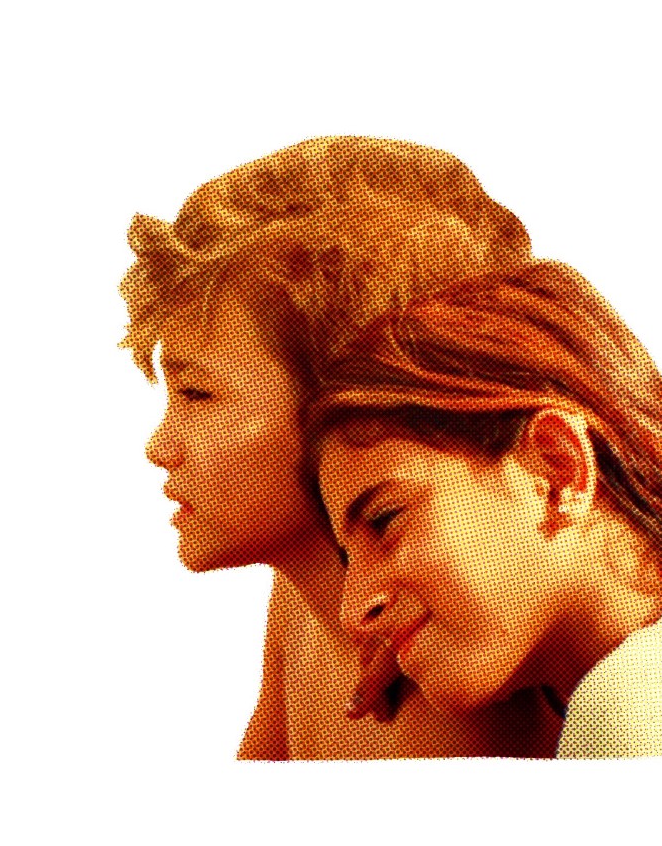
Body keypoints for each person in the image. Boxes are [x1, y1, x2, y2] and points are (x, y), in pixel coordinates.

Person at [122, 137, 563, 758]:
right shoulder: (301, 604)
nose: (159, 446)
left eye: (197, 394)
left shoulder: (462, 706)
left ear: (350, 404)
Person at [307, 260, 662, 757]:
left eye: (385, 520)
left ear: (558, 469)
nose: (352, 611)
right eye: (346, 557)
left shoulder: (643, 712)